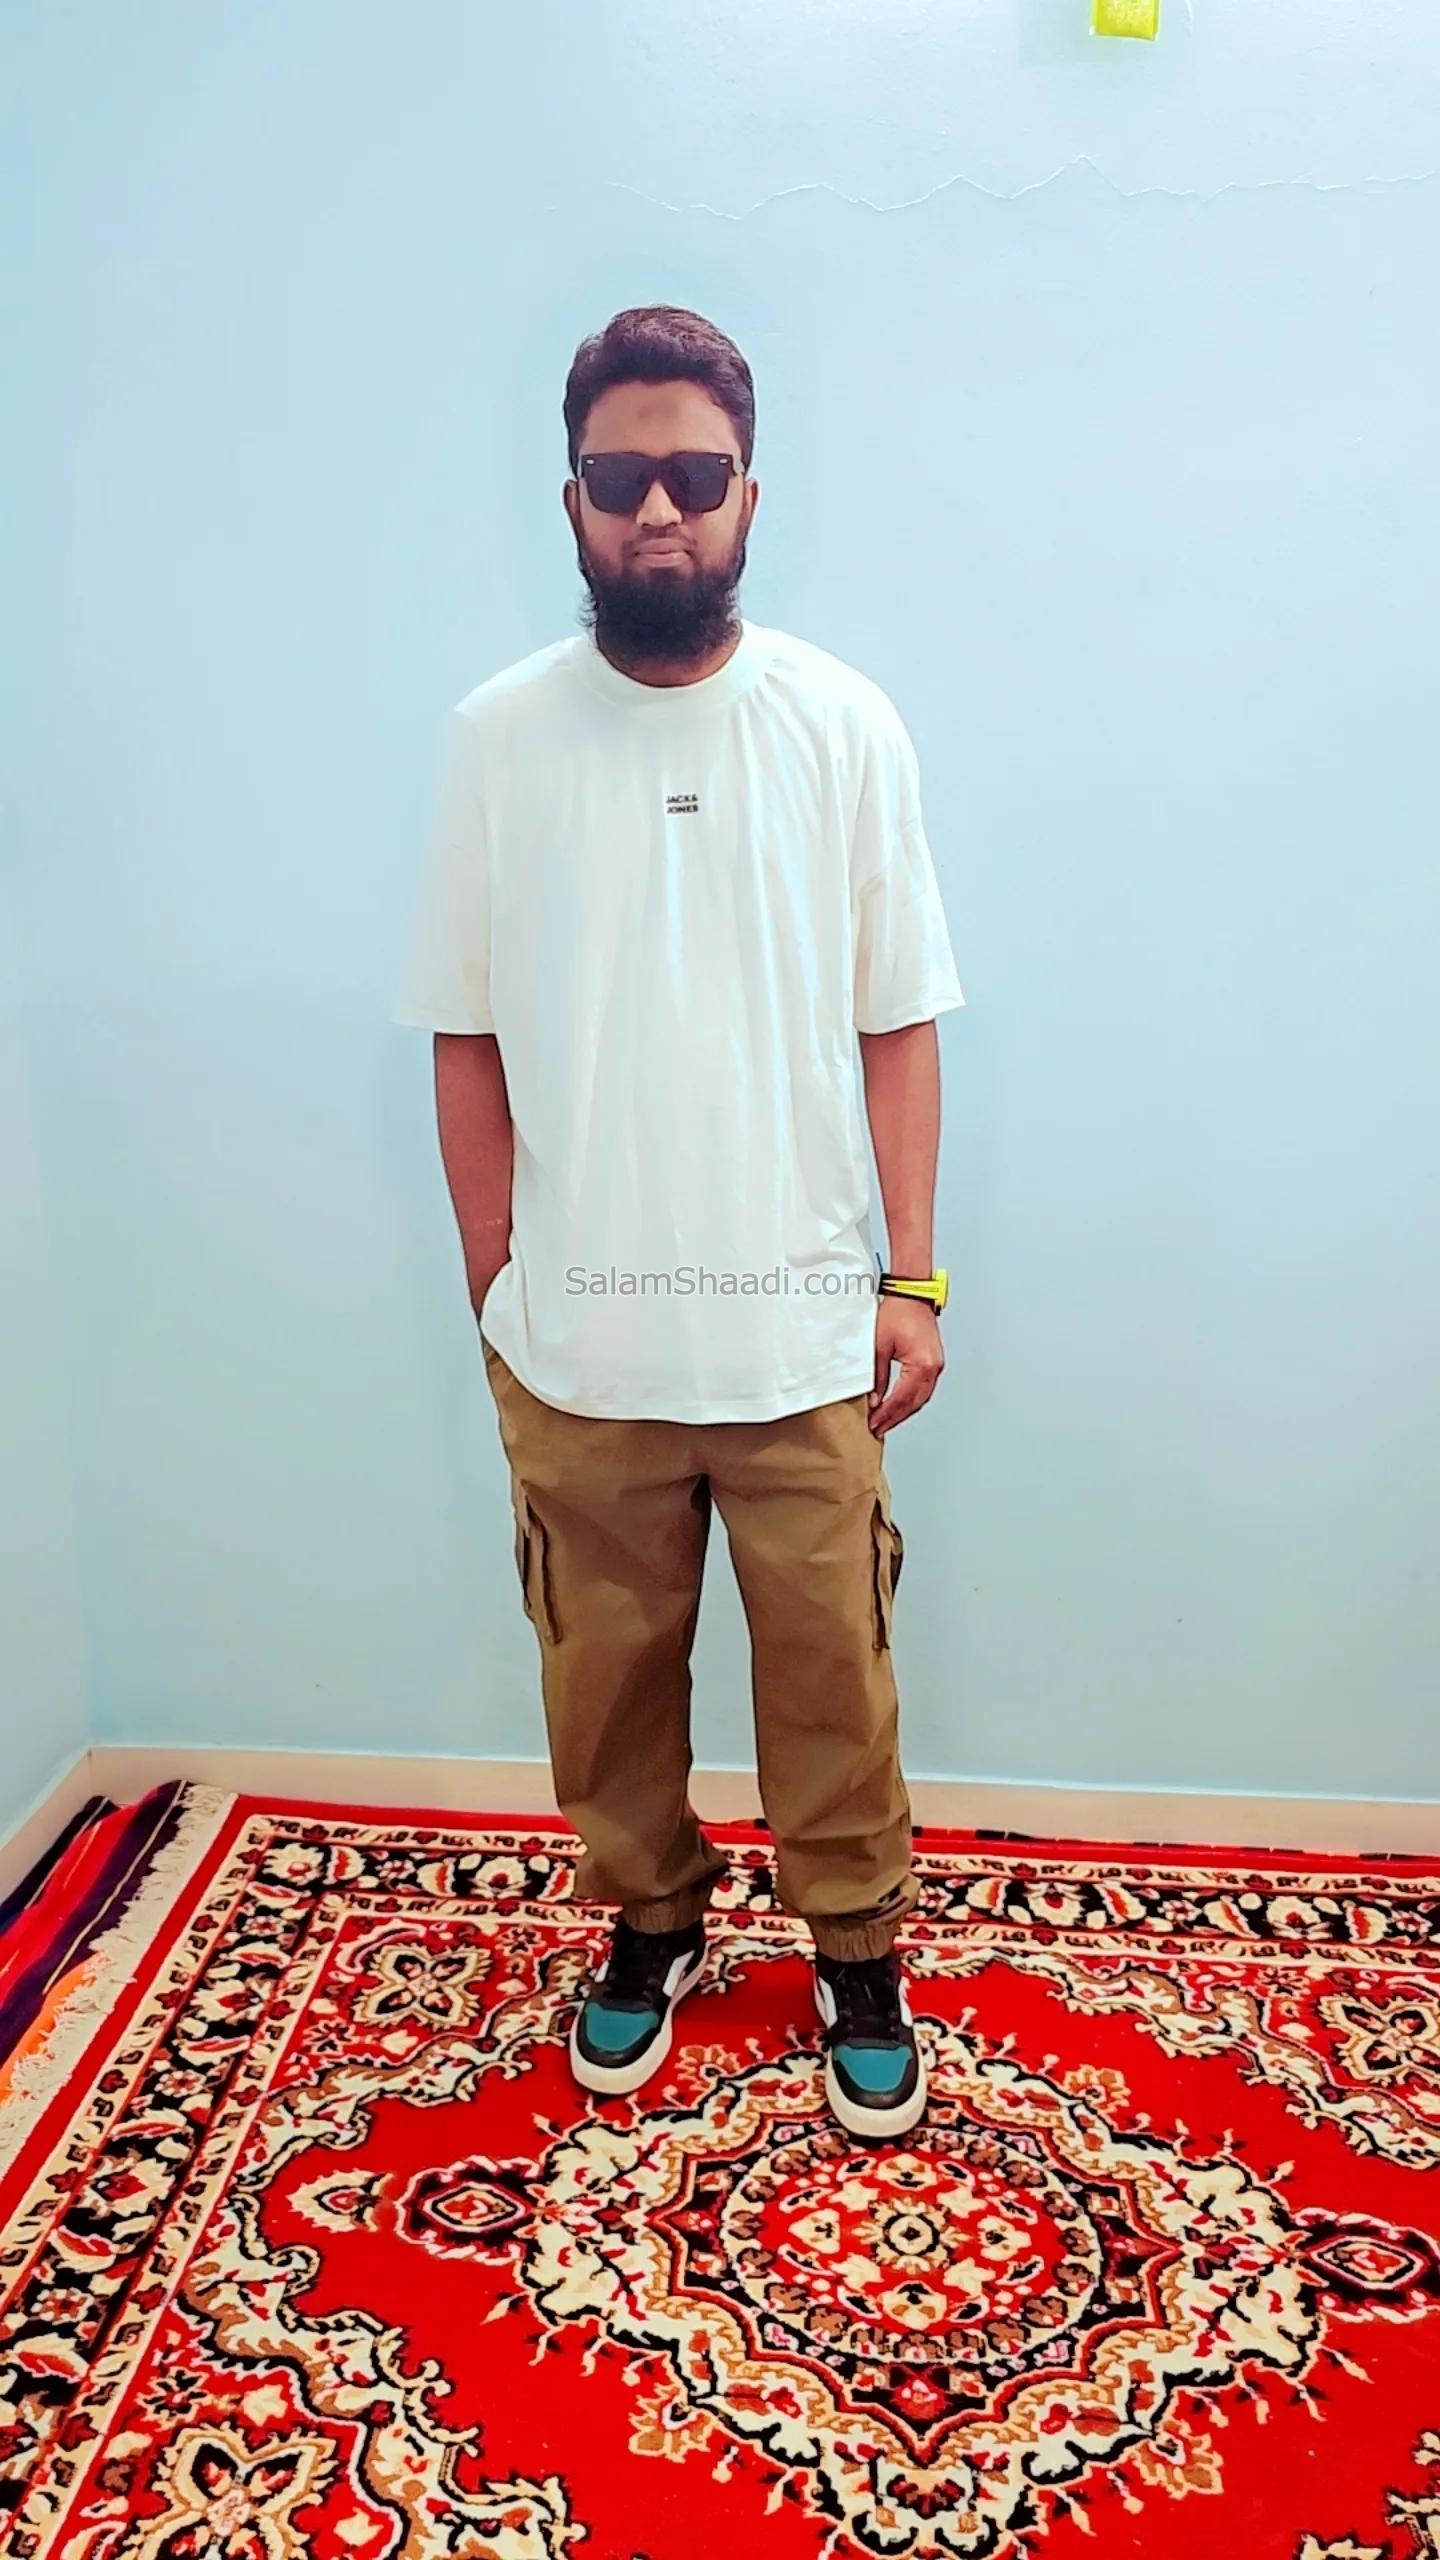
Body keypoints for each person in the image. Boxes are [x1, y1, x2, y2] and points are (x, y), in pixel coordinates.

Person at [393, 306, 964, 2139]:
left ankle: (855, 1947)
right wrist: (496, 1279)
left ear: (748, 496)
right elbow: (464, 1031)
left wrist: (912, 1277)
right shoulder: (497, 740)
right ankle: (648, 1921)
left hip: (801, 1336)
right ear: (570, 496)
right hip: (582, 1342)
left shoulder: (841, 724)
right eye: (621, 476)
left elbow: (899, 1023)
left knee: (835, 1675)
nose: (659, 510)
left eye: (695, 476)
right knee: (606, 1675)